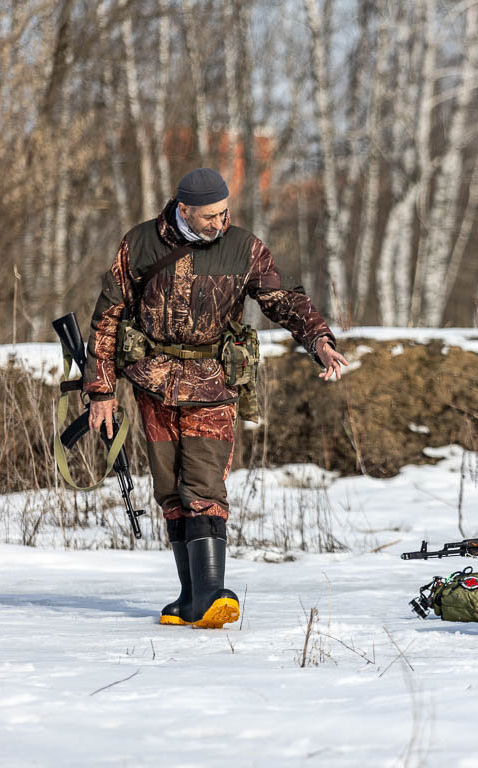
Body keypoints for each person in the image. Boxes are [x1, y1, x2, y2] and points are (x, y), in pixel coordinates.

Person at [83, 168, 348, 628]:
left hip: (213, 383)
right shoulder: (141, 244)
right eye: (209, 216)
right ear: (182, 208)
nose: (219, 223)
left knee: (203, 486)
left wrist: (319, 340)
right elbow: (108, 317)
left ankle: (211, 597)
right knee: (170, 490)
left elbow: (283, 299)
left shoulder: (243, 246)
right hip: (153, 382)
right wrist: (101, 391)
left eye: (224, 213)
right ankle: (191, 599)